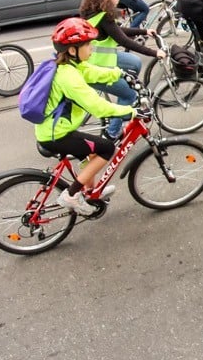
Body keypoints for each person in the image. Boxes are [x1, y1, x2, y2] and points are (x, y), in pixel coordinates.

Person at [39, 18, 136, 216]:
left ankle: (90, 193)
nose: (92, 48)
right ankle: (72, 195)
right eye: (88, 44)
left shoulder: (70, 66)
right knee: (107, 148)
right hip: (56, 135)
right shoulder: (69, 77)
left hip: (54, 129)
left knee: (93, 151)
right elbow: (97, 107)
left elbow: (92, 72)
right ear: (73, 50)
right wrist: (129, 111)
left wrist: (119, 74)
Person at [79, 0, 166, 140]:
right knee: (129, 95)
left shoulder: (97, 13)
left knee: (135, 63)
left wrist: (144, 32)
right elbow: (123, 41)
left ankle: (121, 101)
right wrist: (154, 53)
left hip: (99, 59)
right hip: (94, 68)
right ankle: (112, 132)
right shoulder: (103, 16)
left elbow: (118, 31)